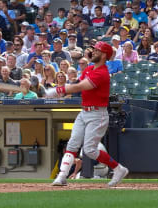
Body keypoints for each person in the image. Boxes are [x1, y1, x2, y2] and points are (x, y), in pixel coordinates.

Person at [50, 41, 129, 187]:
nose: (94, 53)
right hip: (84, 111)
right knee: (72, 143)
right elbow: (78, 83)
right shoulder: (89, 69)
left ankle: (118, 169)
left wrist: (59, 90)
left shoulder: (103, 73)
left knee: (89, 150)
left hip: (97, 114)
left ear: (104, 55)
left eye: (97, 51)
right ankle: (62, 176)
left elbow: (81, 86)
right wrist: (58, 89)